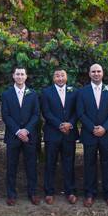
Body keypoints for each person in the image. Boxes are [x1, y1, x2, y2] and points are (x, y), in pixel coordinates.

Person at [77, 63, 108, 207]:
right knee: (89, 164)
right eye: (93, 71)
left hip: (106, 134)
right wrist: (92, 127)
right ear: (89, 74)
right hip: (89, 134)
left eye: (98, 71)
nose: (96, 74)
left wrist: (104, 128)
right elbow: (80, 113)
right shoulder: (82, 92)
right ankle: (89, 193)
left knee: (107, 164)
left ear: (103, 73)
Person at [1, 67, 41, 206]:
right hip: (13, 136)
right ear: (13, 76)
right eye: (17, 74)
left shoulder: (33, 94)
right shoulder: (6, 94)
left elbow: (36, 114)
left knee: (31, 166)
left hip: (29, 136)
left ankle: (33, 193)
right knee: (11, 166)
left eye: (22, 74)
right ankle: (11, 194)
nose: (19, 76)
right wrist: (18, 131)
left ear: (26, 76)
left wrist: (27, 130)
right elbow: (6, 115)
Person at [40, 68, 79, 205]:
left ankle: (70, 191)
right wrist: (60, 125)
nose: (60, 78)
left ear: (66, 77)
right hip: (52, 133)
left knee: (69, 163)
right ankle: (49, 192)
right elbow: (46, 112)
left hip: (69, 133)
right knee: (50, 163)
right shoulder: (46, 92)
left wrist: (70, 124)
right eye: (57, 76)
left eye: (62, 75)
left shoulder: (74, 91)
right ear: (53, 78)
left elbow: (77, 110)